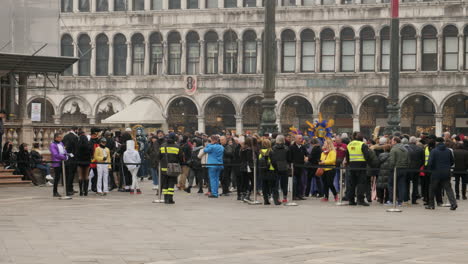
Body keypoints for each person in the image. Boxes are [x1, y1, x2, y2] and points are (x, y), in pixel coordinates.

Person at [426, 137, 457, 210]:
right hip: (446, 172)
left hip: (436, 172)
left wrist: (430, 169)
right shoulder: (448, 151)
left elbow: (430, 163)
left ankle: (431, 204)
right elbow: (452, 161)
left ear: (437, 142)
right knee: (448, 188)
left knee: (432, 189)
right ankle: (453, 204)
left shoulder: (434, 151)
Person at [346, 132, 371, 206]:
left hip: (352, 166)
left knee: (352, 184)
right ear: (362, 138)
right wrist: (368, 163)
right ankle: (360, 200)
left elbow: (347, 156)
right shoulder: (362, 145)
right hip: (361, 166)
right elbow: (367, 156)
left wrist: (349, 163)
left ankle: (351, 200)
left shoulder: (349, 144)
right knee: (361, 183)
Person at [157, 134, 183, 204]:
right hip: (173, 168)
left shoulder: (162, 146)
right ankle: (170, 198)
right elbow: (180, 158)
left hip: (164, 168)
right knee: (171, 184)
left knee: (165, 183)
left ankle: (165, 198)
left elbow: (158, 157)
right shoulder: (177, 147)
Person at [387, 137, 410, 206]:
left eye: (392, 141)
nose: (391, 142)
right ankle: (400, 201)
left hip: (395, 169)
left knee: (391, 184)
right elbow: (408, 160)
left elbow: (392, 161)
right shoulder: (405, 149)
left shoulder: (394, 149)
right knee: (402, 185)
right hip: (404, 169)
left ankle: (391, 200)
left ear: (395, 142)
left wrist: (391, 168)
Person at [259, 139, 281, 205]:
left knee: (264, 186)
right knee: (274, 186)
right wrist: (277, 169)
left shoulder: (260, 151)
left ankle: (266, 200)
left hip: (262, 171)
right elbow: (274, 162)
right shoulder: (271, 152)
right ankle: (276, 200)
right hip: (271, 170)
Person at [405, 136, 425, 204]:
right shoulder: (420, 149)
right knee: (415, 184)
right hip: (416, 168)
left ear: (409, 141)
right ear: (416, 141)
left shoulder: (405, 148)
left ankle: (406, 198)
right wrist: (419, 166)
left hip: (407, 168)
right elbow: (423, 160)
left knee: (406, 183)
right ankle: (414, 199)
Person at [288, 135, 308, 200]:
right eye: (299, 138)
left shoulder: (303, 147)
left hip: (301, 167)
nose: (301, 140)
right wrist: (290, 165)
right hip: (294, 167)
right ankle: (294, 195)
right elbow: (289, 157)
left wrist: (307, 158)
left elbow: (307, 154)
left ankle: (299, 195)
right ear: (295, 139)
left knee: (300, 181)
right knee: (294, 182)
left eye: (301, 138)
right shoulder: (291, 147)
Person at [271, 135, 290, 203]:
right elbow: (289, 158)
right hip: (284, 167)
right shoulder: (286, 148)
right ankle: (285, 197)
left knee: (275, 183)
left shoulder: (273, 148)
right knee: (284, 183)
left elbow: (272, 158)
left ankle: (277, 197)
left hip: (276, 167)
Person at [62, 126, 79, 195]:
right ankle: (69, 189)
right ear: (75, 130)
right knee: (71, 175)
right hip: (73, 158)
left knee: (67, 174)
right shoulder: (75, 137)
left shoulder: (65, 136)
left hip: (66, 157)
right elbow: (76, 149)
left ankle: (68, 188)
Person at [76, 131, 93, 196]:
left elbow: (76, 153)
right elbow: (91, 153)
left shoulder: (78, 144)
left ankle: (81, 191)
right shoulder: (88, 145)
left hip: (80, 162)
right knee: (86, 176)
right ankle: (86, 191)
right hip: (87, 162)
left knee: (80, 176)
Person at [239, 137, 255, 202]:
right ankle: (247, 195)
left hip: (242, 166)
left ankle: (243, 195)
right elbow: (250, 159)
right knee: (252, 181)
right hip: (249, 167)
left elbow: (240, 157)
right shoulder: (249, 150)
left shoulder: (242, 149)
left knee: (244, 181)